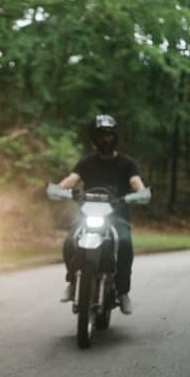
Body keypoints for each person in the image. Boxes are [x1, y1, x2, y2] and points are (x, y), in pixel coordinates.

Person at [56, 115, 146, 313]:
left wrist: (140, 193)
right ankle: (72, 282)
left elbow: (136, 183)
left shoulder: (126, 163)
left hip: (117, 216)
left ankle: (123, 293)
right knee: (70, 241)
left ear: (115, 137)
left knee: (124, 244)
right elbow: (72, 179)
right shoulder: (87, 163)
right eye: (99, 136)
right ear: (92, 139)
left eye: (107, 135)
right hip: (88, 214)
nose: (104, 140)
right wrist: (59, 188)